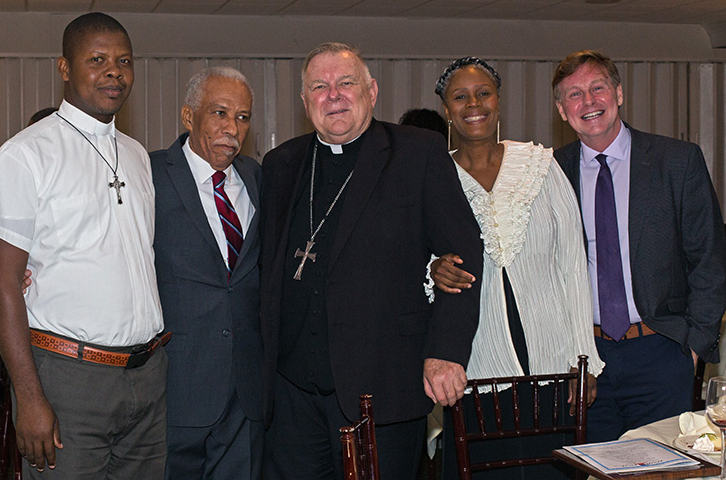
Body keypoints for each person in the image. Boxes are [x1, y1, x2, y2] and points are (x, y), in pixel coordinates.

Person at [259, 42, 483, 480]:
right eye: (319, 87)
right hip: (292, 396)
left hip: (382, 386)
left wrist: (446, 352)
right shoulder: (281, 163)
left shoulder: (418, 153)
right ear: (305, 101)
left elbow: (463, 253)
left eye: (346, 83)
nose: (334, 95)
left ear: (372, 91)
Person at [0, 12, 168, 479]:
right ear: (65, 68)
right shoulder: (26, 155)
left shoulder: (139, 156)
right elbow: (2, 283)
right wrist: (30, 398)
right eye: (97, 59)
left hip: (147, 377)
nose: (114, 71)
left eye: (124, 61)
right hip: (68, 379)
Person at [429, 57, 604, 479]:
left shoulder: (541, 167)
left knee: (551, 470)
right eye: (460, 96)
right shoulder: (433, 177)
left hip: (552, 366)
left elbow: (573, 266)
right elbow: (412, 258)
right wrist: (432, 269)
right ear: (447, 110)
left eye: (484, 92)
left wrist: (586, 362)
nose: (474, 104)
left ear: (499, 100)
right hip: (476, 369)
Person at [552, 49, 726, 441]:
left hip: (661, 352)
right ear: (562, 111)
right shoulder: (551, 173)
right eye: (574, 95)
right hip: (584, 361)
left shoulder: (676, 162)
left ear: (618, 93)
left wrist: (693, 349)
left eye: (597, 88)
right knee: (596, 468)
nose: (589, 102)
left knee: (662, 468)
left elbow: (709, 261)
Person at [151, 67, 263, 480]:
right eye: (219, 113)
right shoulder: (150, 175)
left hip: (245, 394)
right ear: (188, 117)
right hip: (176, 387)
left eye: (243, 117)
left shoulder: (256, 178)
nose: (232, 128)